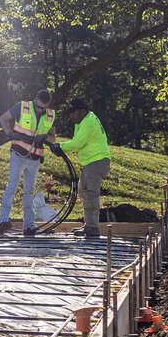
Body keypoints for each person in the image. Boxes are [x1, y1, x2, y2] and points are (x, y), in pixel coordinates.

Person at [0, 90, 55, 237]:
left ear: (47, 106)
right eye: (38, 106)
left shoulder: (50, 115)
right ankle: (3, 220)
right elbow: (3, 118)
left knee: (29, 191)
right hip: (18, 154)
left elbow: (53, 137)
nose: (39, 110)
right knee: (12, 186)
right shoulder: (22, 106)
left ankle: (29, 226)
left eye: (43, 108)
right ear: (35, 99)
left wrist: (45, 137)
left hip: (35, 158)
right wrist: (9, 133)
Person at [57, 96, 112, 240]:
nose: (71, 116)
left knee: (91, 193)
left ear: (81, 111)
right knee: (83, 192)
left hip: (96, 161)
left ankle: (92, 227)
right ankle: (89, 224)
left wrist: (60, 147)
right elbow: (77, 140)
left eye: (73, 113)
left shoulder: (88, 122)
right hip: (91, 162)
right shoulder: (84, 120)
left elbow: (77, 143)